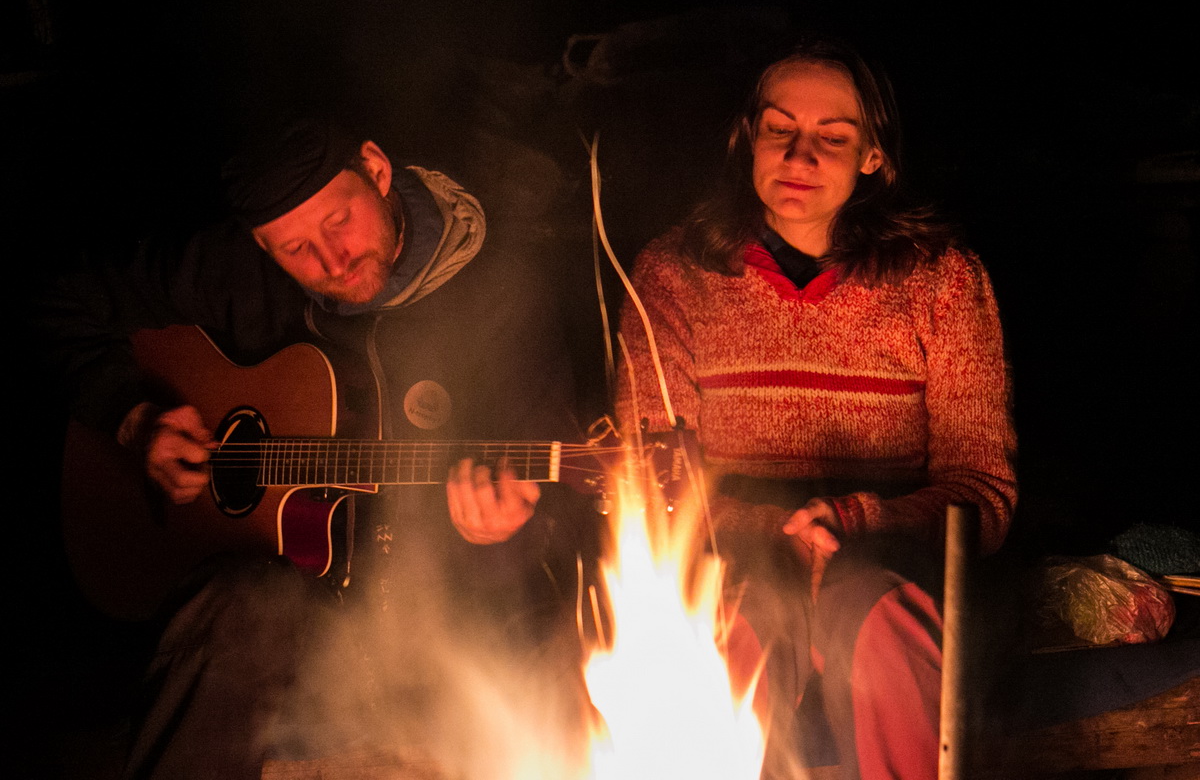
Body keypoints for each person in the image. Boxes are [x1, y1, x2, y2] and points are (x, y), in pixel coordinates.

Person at [37, 117, 588, 778]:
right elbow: (59, 303)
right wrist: (132, 417)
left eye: (339, 222)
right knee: (232, 609)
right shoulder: (233, 269)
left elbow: (553, 499)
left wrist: (498, 533)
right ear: (260, 244)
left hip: (440, 614)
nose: (331, 261)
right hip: (293, 614)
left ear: (376, 170)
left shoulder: (502, 294)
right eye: (294, 248)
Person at [615, 40, 1016, 780]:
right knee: (727, 631)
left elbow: (983, 494)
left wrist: (857, 520)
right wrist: (778, 533)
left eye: (832, 138)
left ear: (873, 157)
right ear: (749, 137)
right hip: (733, 555)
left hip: (887, 556)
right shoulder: (676, 275)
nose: (800, 156)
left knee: (877, 624)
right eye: (779, 129)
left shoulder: (942, 280)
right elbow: (650, 481)